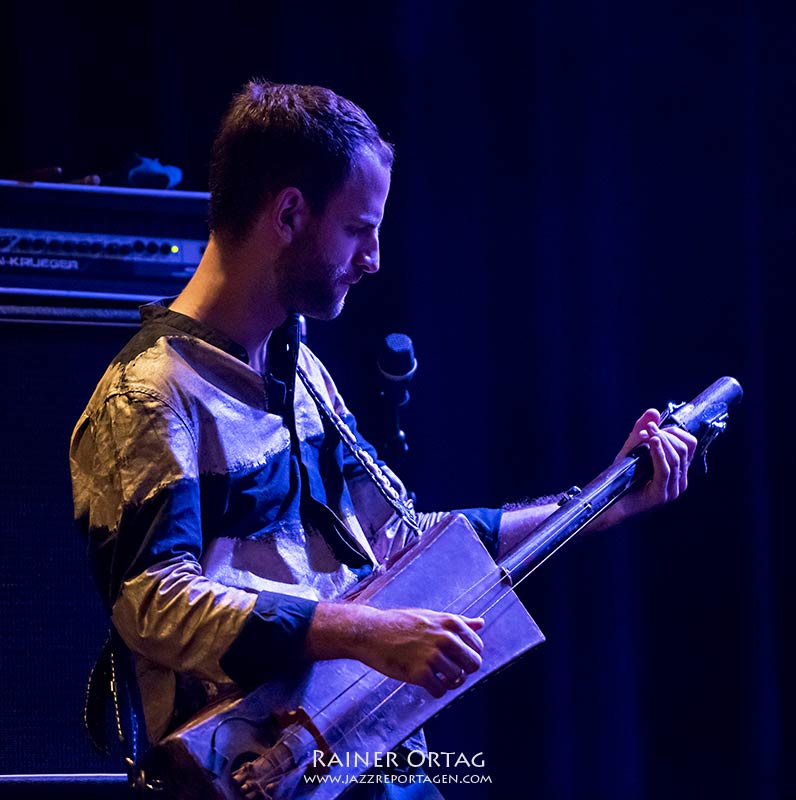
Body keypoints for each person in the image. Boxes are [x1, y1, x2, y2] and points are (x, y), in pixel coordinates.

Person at [69, 79, 696, 797]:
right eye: (358, 229)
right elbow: (155, 604)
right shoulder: (150, 394)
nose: (373, 258)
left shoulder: (301, 372)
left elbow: (410, 544)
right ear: (290, 213)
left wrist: (600, 502)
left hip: (368, 767)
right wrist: (364, 632)